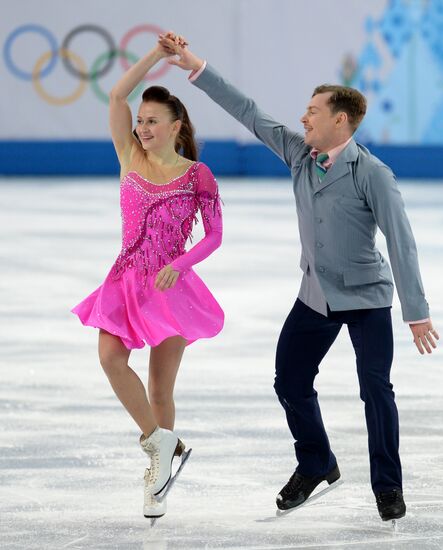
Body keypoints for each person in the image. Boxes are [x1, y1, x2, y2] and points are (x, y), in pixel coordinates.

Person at [159, 32, 440, 522]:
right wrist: (195, 65)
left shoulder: (372, 173)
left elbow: (402, 242)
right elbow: (247, 110)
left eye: (313, 110)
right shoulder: (298, 154)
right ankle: (316, 462)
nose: (303, 118)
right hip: (315, 295)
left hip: (367, 297)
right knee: (289, 380)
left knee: (376, 390)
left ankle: (388, 487)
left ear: (340, 120)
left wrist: (416, 313)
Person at [71, 40, 224, 519]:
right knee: (110, 357)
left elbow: (215, 237)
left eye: (153, 120)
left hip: (170, 288)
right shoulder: (129, 157)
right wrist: (156, 59)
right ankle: (160, 443)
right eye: (141, 121)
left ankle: (157, 479)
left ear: (176, 126)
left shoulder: (198, 175)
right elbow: (117, 97)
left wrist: (179, 266)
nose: (142, 127)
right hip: (125, 280)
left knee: (161, 389)